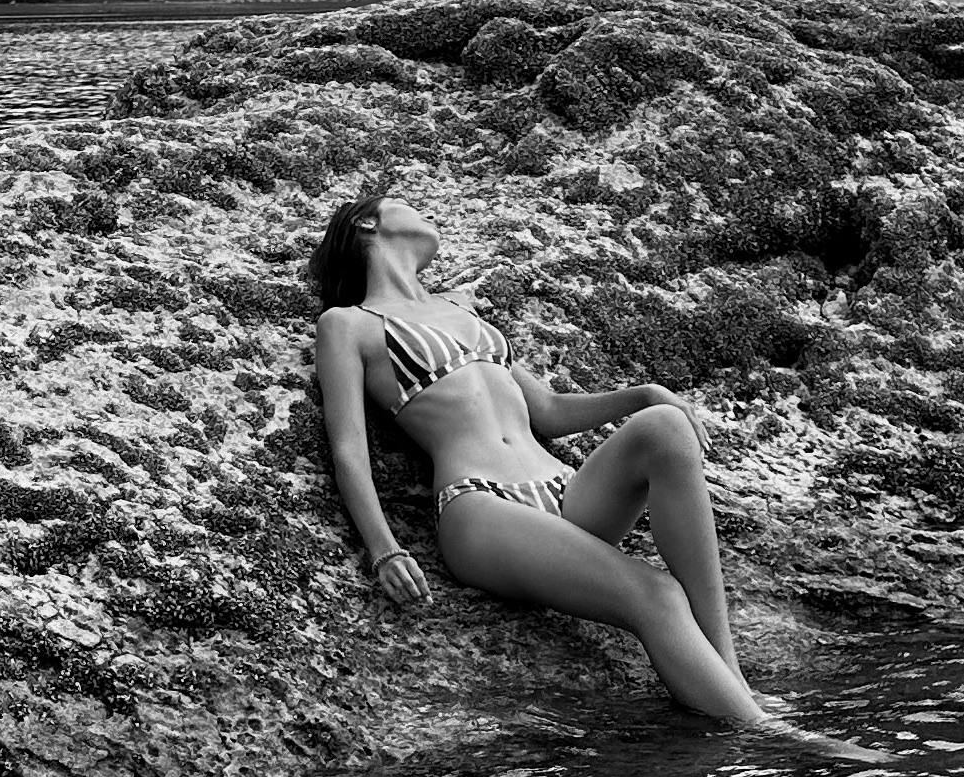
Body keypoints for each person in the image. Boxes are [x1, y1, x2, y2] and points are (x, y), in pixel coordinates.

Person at [309, 185, 769, 728]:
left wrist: (644, 394)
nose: (425, 210)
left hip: (563, 493)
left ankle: (729, 676)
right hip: (481, 508)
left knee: (665, 426)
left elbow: (546, 410)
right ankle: (772, 738)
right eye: (407, 201)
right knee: (657, 594)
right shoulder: (347, 324)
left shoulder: (463, 311)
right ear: (367, 224)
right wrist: (385, 549)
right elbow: (348, 448)